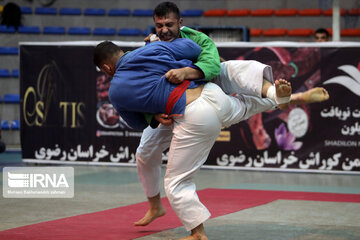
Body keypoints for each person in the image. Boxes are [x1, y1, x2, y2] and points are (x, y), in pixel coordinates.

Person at [134, 1, 330, 236]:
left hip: (203, 90)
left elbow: (212, 64)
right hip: (170, 107)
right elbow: (142, 86)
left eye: (169, 24)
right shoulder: (150, 45)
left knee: (235, 69)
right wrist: (153, 115)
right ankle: (155, 206)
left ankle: (277, 95)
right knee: (144, 154)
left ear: (180, 23)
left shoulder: (197, 38)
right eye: (159, 25)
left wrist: (188, 71)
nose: (164, 30)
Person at [93, 39, 291, 240]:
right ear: (122, 51)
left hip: (192, 114)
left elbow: (137, 123)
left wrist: (152, 115)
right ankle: (274, 98)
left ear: (107, 68)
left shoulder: (116, 90)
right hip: (212, 93)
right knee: (242, 104)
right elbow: (195, 49)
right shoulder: (155, 47)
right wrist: (186, 70)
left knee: (176, 182)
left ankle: (198, 233)